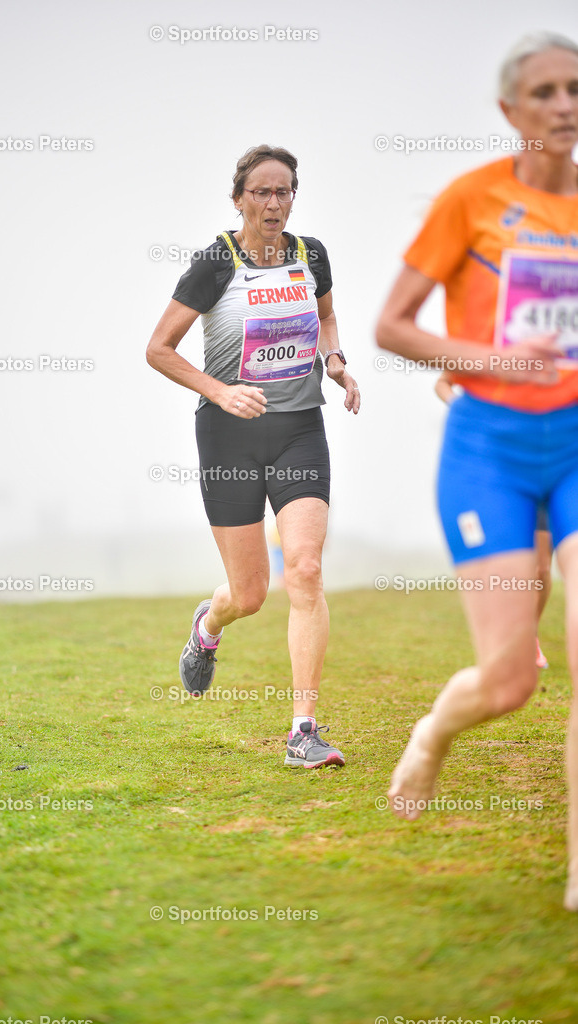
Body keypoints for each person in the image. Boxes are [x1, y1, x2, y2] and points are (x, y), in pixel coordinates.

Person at [375, 33, 578, 909]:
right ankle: (430, 733)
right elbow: (391, 326)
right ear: (509, 110)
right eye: (543, 92)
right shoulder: (470, 200)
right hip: (488, 451)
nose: (563, 106)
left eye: (575, 88)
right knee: (509, 681)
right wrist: (491, 356)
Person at [147, 144, 361, 768]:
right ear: (238, 197)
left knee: (306, 570)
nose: (274, 203)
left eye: (284, 191)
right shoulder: (216, 263)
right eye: (262, 192)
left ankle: (303, 731)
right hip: (229, 435)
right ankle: (207, 628)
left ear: (294, 196)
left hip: (300, 429)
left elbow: (325, 317)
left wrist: (337, 362)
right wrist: (220, 390)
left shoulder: (311, 254)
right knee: (250, 593)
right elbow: (159, 349)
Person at [435, 370, 553, 668]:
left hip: (550, 465)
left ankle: (529, 634)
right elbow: (443, 382)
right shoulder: (494, 348)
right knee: (501, 560)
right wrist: (464, 410)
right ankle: (507, 639)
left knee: (540, 568)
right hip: (499, 469)